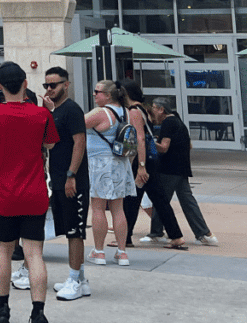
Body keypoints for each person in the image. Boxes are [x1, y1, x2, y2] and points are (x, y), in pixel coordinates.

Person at [0, 62, 59, 323]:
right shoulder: (41, 115)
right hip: (34, 192)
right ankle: (38, 313)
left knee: (3, 250)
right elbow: (49, 144)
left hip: (4, 194)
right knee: (34, 253)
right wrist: (49, 112)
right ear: (25, 84)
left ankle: (2, 309)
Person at [35, 67, 91, 301]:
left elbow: (80, 143)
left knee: (74, 232)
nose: (49, 89)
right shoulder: (55, 111)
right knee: (67, 229)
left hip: (72, 181)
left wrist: (71, 175)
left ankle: (74, 279)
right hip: (57, 180)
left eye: (54, 85)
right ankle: (80, 279)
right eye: (46, 85)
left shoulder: (72, 110)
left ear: (66, 85)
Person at [117, 81, 187, 250]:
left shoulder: (134, 111)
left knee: (133, 198)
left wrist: (141, 166)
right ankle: (175, 236)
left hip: (143, 161)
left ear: (126, 93)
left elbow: (140, 138)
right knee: (155, 199)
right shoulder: (143, 110)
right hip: (150, 160)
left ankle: (125, 238)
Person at [145, 97, 218, 247]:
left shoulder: (168, 122)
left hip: (169, 168)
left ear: (161, 109)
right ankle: (204, 234)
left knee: (161, 199)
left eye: (154, 108)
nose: (152, 111)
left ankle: (156, 232)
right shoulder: (178, 121)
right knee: (187, 201)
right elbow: (189, 145)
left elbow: (164, 147)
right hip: (181, 167)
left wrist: (149, 142)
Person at [85, 79, 135, 266]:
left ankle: (99, 251)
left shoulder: (100, 112)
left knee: (98, 208)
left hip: (100, 163)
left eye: (97, 91)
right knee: (118, 209)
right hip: (120, 163)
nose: (94, 95)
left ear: (107, 95)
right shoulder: (126, 113)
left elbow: (76, 124)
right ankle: (122, 253)